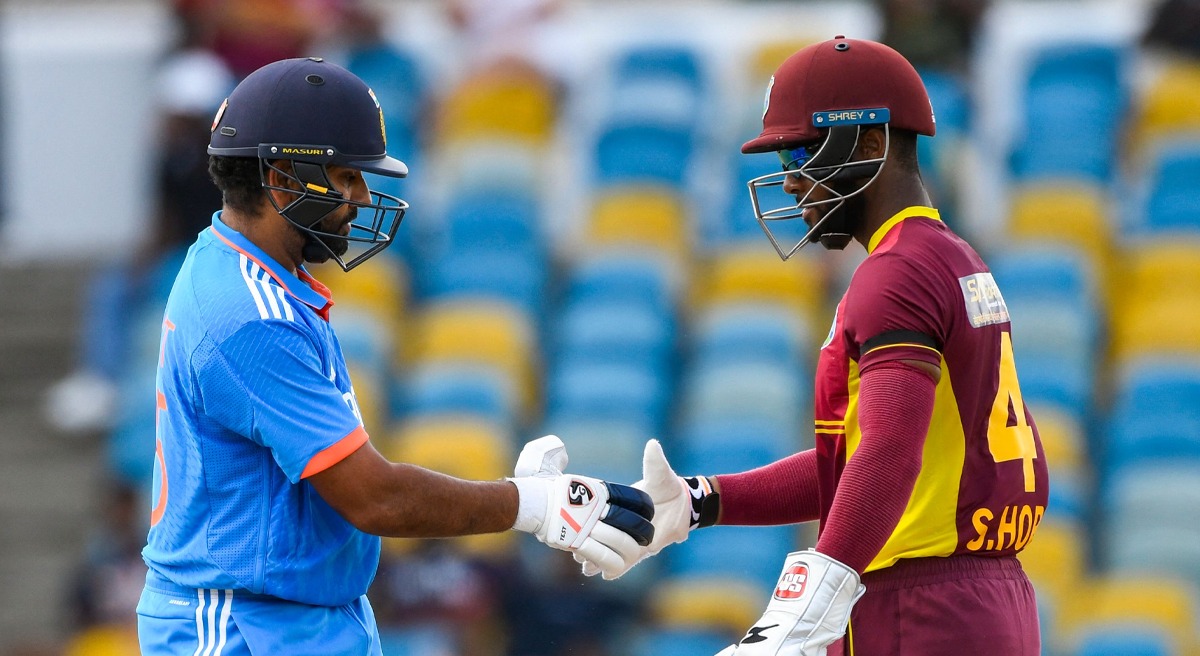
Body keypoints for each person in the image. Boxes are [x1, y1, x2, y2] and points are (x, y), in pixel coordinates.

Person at [134, 57, 654, 655]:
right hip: (243, 628)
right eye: (345, 177)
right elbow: (374, 498)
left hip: (289, 616)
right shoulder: (251, 316)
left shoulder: (245, 268)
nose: (360, 197)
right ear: (280, 178)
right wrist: (532, 504)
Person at [581, 37, 1049, 655]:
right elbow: (861, 457)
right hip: (975, 598)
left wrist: (812, 596)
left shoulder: (898, 272)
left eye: (803, 151)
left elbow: (888, 453)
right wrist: (703, 500)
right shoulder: (948, 257)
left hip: (920, 608)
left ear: (873, 143)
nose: (792, 180)